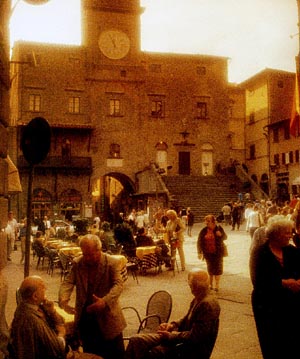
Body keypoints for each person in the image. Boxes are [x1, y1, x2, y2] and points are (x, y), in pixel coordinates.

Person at [124, 269, 220, 359]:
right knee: (135, 340)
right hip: (180, 337)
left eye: (190, 285)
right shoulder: (199, 297)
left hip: (190, 348)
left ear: (196, 286)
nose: (190, 288)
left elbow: (196, 336)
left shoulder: (207, 305)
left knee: (151, 352)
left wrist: (171, 336)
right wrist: (172, 325)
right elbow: (186, 318)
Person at [58, 234, 126, 359]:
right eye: (84, 254)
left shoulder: (111, 262)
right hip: (87, 320)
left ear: (99, 250)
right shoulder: (78, 263)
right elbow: (67, 282)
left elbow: (119, 285)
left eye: (90, 254)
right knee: (91, 354)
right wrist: (63, 300)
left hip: (109, 319)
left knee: (115, 354)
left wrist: (105, 301)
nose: (87, 258)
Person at [250, 216, 300, 359]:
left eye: (290, 232)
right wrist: (285, 283)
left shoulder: (292, 251)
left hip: (291, 305)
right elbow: (257, 281)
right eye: (286, 233)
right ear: (276, 233)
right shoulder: (259, 252)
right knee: (272, 343)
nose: (290, 236)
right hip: (267, 306)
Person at [8, 275, 66, 359]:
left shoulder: (33, 306)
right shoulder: (30, 321)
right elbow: (55, 349)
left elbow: (61, 320)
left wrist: (52, 311)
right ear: (35, 296)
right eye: (42, 286)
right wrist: (61, 333)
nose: (46, 288)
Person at [197, 214, 227, 292]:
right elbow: (199, 241)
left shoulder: (219, 228)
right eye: (206, 221)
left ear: (213, 222)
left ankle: (217, 285)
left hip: (218, 252)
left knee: (218, 269)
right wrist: (199, 252)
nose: (206, 223)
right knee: (210, 269)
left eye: (208, 221)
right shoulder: (204, 230)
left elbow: (225, 237)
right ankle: (210, 284)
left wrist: (220, 235)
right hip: (208, 253)